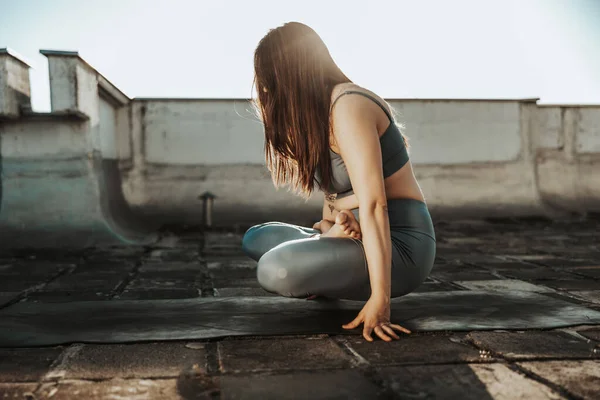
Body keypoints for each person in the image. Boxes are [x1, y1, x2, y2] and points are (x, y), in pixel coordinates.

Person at [242, 22, 436, 342]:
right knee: (254, 239)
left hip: (399, 244)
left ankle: (329, 256)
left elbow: (374, 205)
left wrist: (380, 301)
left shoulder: (348, 105)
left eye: (268, 83)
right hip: (351, 233)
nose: (266, 93)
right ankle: (329, 248)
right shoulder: (317, 115)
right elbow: (334, 193)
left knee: (274, 269)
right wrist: (328, 226)